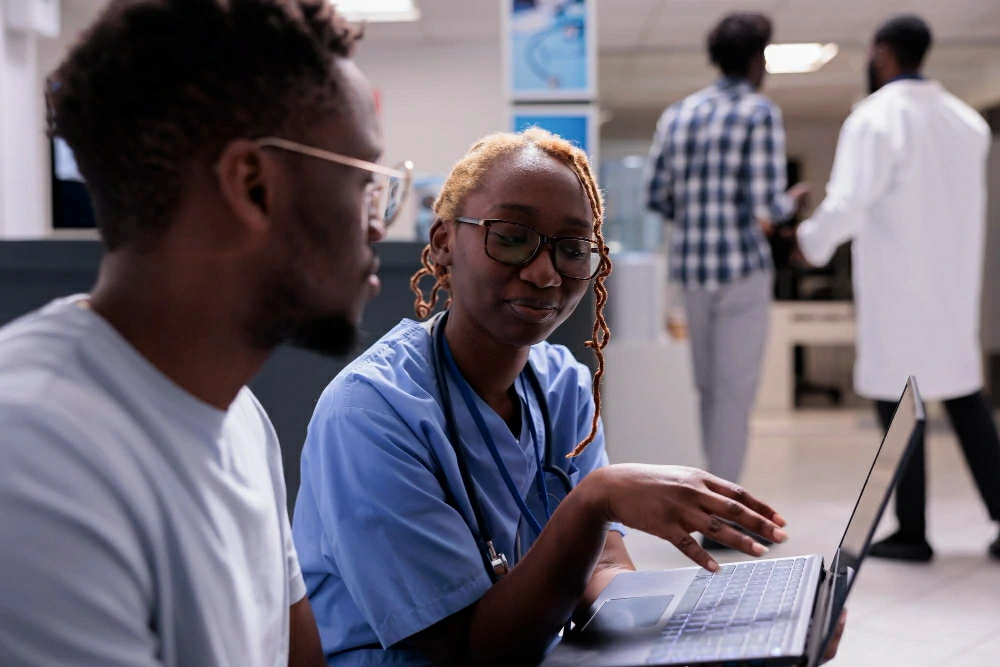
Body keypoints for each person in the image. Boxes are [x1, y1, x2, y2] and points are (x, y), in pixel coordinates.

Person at [291, 128, 851, 666]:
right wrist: (594, 500)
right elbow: (473, 651)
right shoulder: (371, 414)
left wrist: (697, 637)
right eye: (510, 236)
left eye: (572, 247)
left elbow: (603, 566)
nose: (543, 272)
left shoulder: (560, 383)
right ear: (443, 245)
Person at [0, 1, 403, 664]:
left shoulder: (241, 417)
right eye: (362, 180)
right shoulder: (36, 461)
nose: (378, 224)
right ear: (253, 185)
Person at [796, 15, 1000, 563]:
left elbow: (848, 202)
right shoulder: (966, 122)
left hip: (900, 290)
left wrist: (808, 243)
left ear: (881, 53)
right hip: (953, 288)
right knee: (964, 400)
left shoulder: (874, 118)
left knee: (901, 404)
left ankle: (912, 531)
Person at [644, 13, 809, 549]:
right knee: (733, 399)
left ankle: (703, 504)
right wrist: (792, 202)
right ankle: (723, 516)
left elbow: (656, 196)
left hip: (692, 268)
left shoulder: (678, 114)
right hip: (740, 270)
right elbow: (765, 203)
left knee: (706, 392)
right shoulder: (759, 113)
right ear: (758, 59)